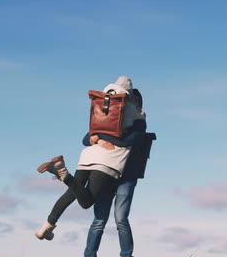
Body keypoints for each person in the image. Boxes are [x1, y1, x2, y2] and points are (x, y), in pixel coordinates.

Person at [35, 77, 145, 242]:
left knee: (71, 194)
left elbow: (88, 137)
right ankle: (63, 173)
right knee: (86, 201)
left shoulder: (103, 105)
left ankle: (47, 227)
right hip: (107, 161)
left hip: (87, 157)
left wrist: (98, 138)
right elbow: (128, 141)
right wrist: (104, 140)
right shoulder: (134, 113)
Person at [81, 88, 146, 257]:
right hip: (107, 173)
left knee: (120, 219)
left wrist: (100, 138)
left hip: (127, 176)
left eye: (131, 102)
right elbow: (86, 138)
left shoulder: (139, 121)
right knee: (99, 220)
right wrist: (96, 137)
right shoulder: (109, 119)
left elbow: (131, 140)